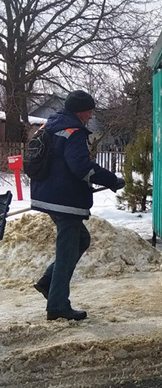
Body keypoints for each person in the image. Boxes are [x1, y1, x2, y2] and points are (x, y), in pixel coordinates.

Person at [31, 90, 126, 321]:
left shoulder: (51, 126)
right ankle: (57, 306)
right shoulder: (73, 131)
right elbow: (82, 166)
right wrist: (111, 179)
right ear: (80, 111)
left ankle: (48, 283)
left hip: (49, 194)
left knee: (81, 241)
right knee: (67, 252)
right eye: (90, 110)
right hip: (65, 200)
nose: (91, 114)